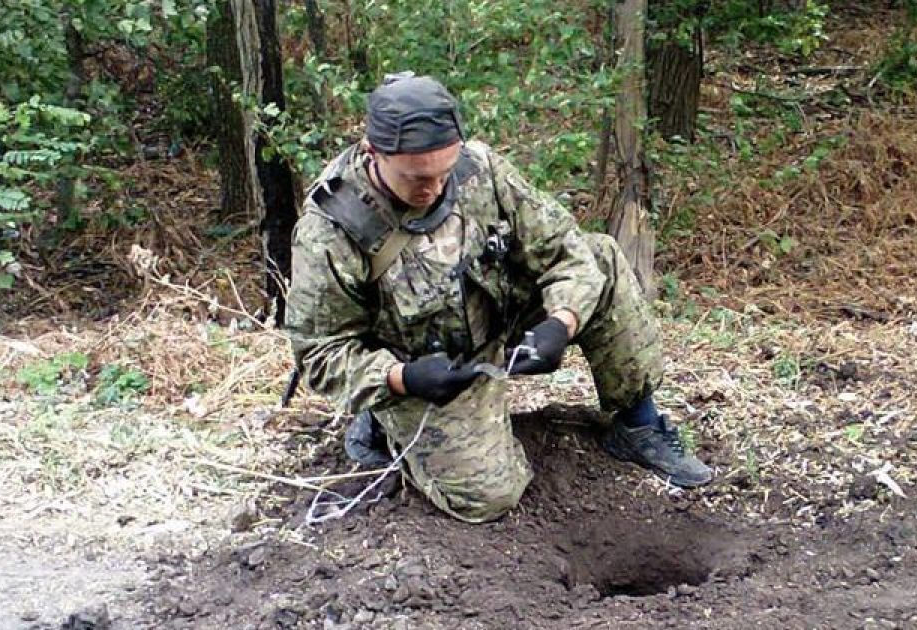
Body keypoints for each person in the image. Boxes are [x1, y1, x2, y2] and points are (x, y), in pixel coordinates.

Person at [284, 73, 711, 523]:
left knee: (601, 258)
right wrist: (400, 379)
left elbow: (568, 250)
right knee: (487, 497)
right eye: (416, 179)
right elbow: (320, 352)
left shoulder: (479, 170)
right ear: (374, 153)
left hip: (494, 313)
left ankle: (638, 421)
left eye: (443, 173)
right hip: (422, 362)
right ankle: (385, 424)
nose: (432, 189)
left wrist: (559, 322)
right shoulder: (332, 228)